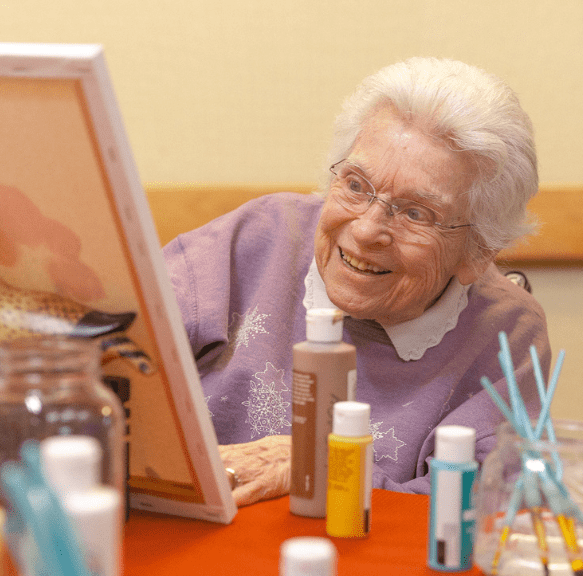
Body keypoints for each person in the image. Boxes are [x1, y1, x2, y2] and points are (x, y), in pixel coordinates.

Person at [163, 57, 551, 506]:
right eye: (355, 184)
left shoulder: (504, 332)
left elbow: (478, 507)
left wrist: (330, 470)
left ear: (479, 252)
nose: (366, 231)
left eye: (415, 213)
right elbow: (114, 352)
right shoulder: (256, 237)